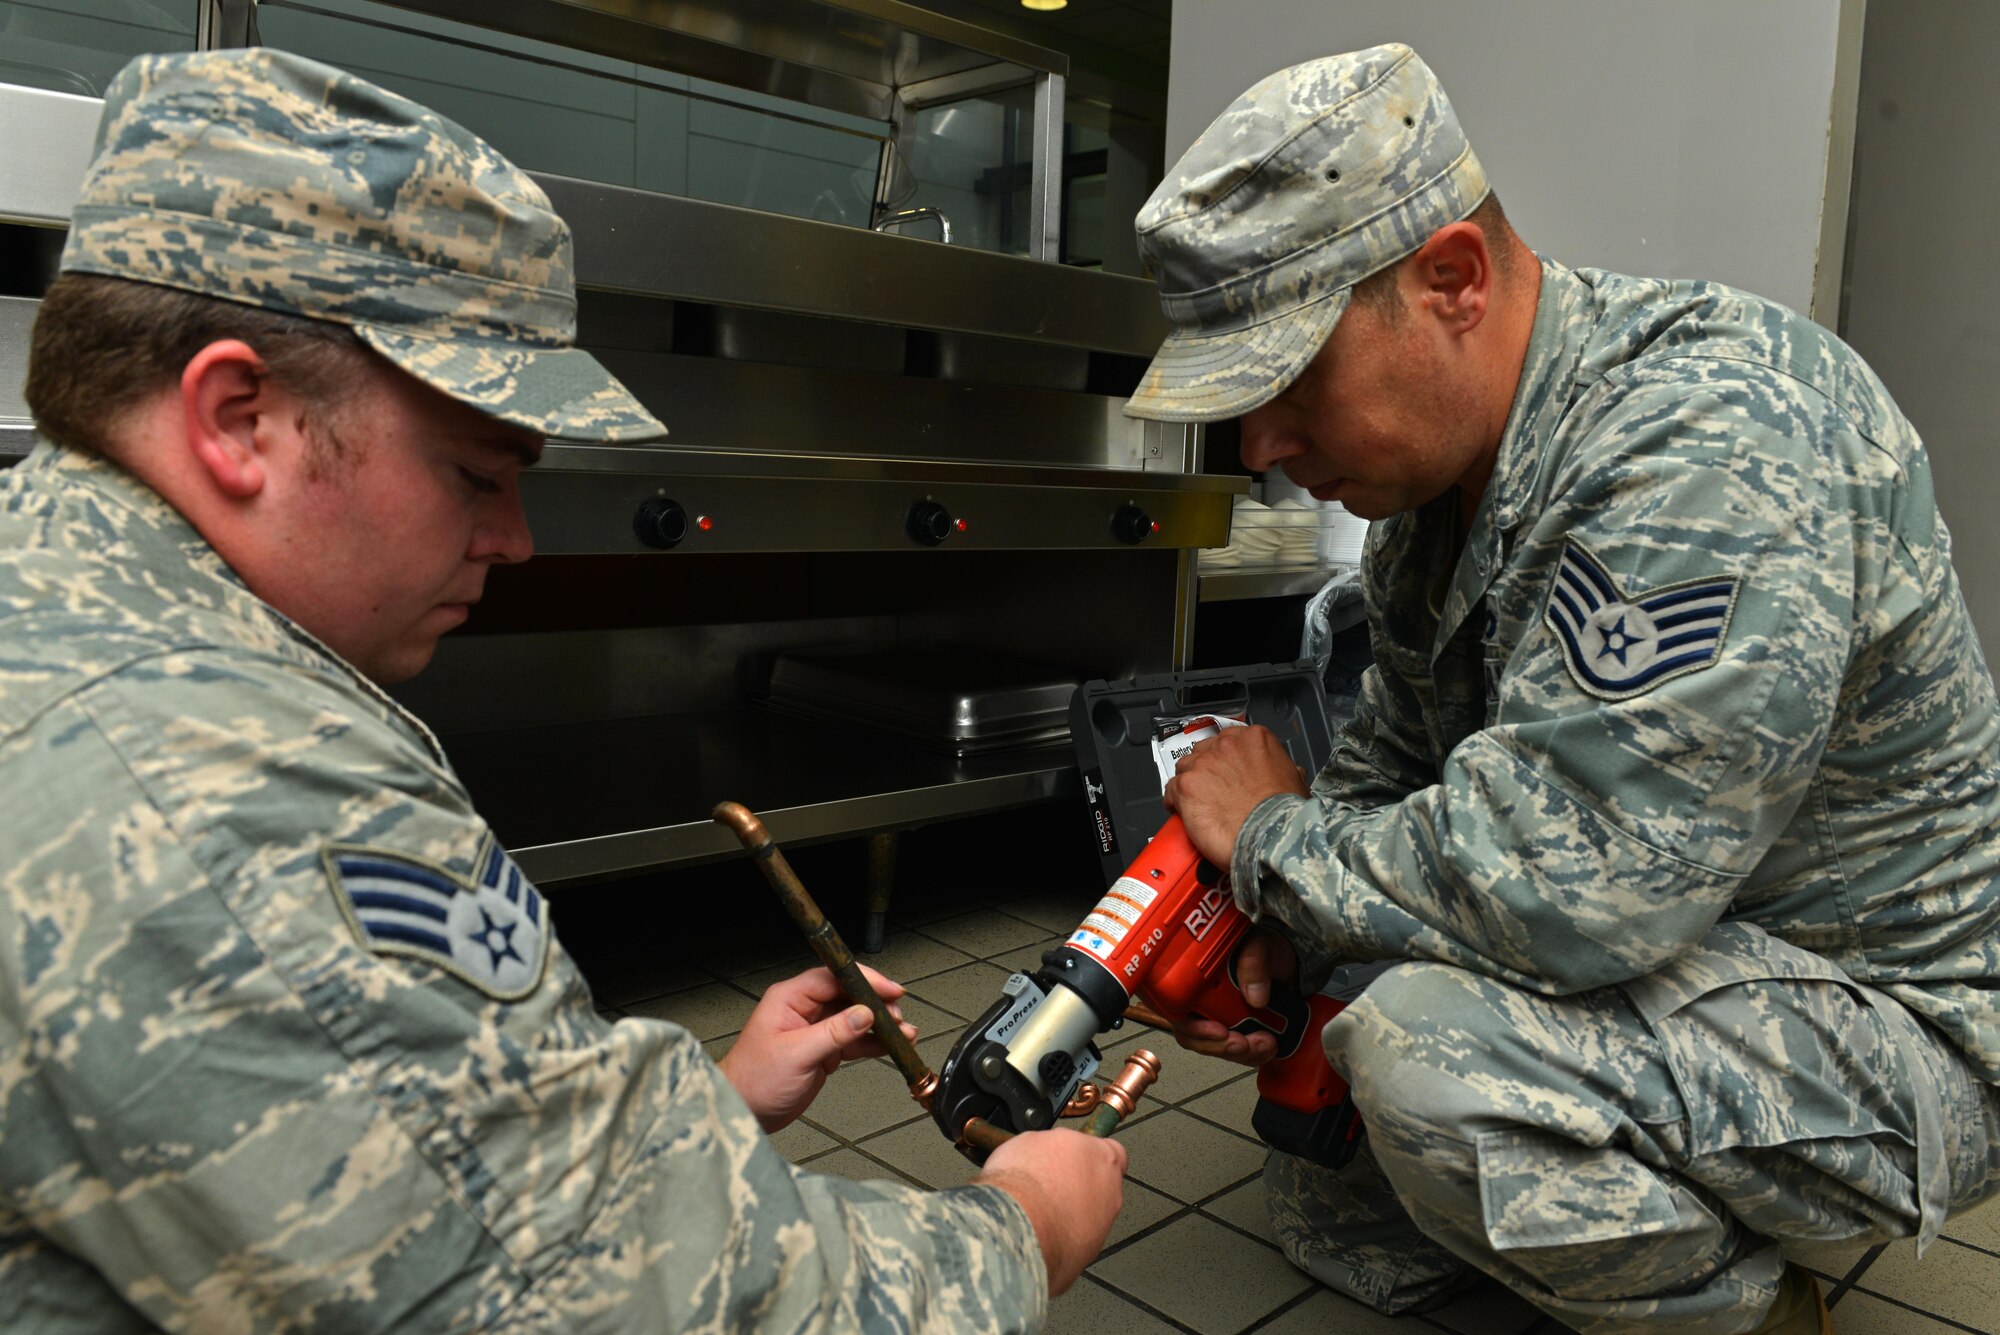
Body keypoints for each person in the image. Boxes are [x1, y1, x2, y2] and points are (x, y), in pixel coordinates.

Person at [0, 47, 1125, 1333]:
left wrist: (704, 1098)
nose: (516, 541)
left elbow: (382, 1155)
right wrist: (1018, 1227)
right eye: (479, 472)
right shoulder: (214, 787)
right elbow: (594, 1304)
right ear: (239, 418)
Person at [1126, 42, 2000, 1335]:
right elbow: (1397, 755)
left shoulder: (1708, 439)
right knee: (1332, 1196)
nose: (1259, 448)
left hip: (1877, 1020)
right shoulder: (1441, 494)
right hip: (1674, 942)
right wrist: (1285, 932)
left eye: (1293, 380)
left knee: (1427, 1059)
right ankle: (1642, 1205)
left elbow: (1582, 884)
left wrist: (1267, 837)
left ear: (1453, 281)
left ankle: (1755, 1308)